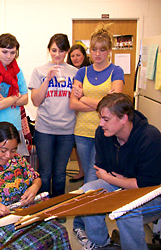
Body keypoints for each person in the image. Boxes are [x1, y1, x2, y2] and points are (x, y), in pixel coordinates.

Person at [77, 93, 161, 250]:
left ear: (124, 118)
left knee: (126, 209)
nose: (101, 123)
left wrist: (113, 179)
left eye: (106, 119)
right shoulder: (103, 133)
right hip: (124, 186)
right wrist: (124, 180)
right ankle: (100, 244)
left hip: (153, 195)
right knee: (87, 192)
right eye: (100, 118)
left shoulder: (150, 138)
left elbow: (145, 185)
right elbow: (101, 169)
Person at [69, 23, 125, 245]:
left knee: (95, 178)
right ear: (90, 50)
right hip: (82, 132)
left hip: (107, 134)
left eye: (102, 49)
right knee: (91, 179)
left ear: (109, 50)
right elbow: (73, 103)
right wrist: (97, 103)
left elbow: (115, 104)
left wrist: (85, 98)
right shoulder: (82, 71)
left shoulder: (116, 71)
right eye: (94, 49)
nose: (98, 54)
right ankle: (82, 225)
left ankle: (82, 226)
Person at [28, 34, 77, 199]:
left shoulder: (75, 72)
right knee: (45, 172)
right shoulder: (39, 71)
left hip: (67, 130)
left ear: (67, 52)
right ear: (49, 50)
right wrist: (48, 79)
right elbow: (35, 101)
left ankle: (57, 207)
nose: (57, 54)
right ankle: (44, 209)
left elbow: (77, 100)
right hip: (45, 129)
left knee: (60, 173)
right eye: (54, 50)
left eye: (62, 51)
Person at [66, 44, 91, 183]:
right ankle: (81, 171)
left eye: (78, 55)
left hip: (87, 115)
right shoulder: (68, 72)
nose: (75, 58)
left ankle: (89, 175)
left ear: (84, 56)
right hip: (72, 114)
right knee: (77, 146)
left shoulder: (89, 71)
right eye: (72, 56)